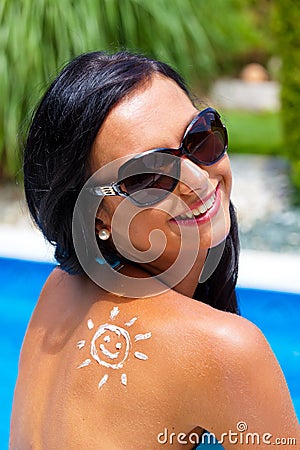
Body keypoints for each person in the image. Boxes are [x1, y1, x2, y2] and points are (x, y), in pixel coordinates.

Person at [10, 51, 299, 449]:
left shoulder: (58, 291)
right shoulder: (223, 348)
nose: (197, 178)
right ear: (97, 216)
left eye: (199, 137)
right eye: (148, 175)